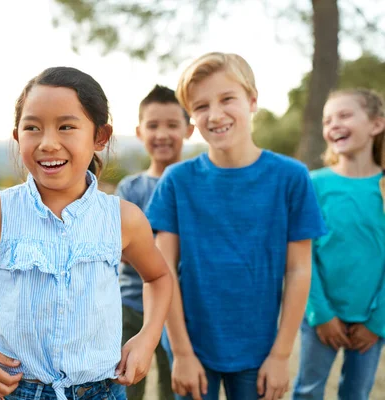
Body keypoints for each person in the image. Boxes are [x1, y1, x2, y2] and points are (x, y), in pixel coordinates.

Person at [0, 66, 173, 400]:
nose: (48, 143)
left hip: (102, 391)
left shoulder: (123, 218)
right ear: (17, 136)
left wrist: (148, 336)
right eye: (32, 128)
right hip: (18, 391)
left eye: (66, 126)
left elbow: (158, 277)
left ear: (100, 136)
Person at [146, 52, 327, 400]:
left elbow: (300, 269)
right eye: (200, 106)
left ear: (252, 100)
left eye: (227, 99)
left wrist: (281, 354)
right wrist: (181, 353)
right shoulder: (177, 181)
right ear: (191, 117)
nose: (214, 115)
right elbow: (162, 268)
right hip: (191, 346)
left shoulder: (291, 178)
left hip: (260, 350)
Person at [292, 88, 385, 400]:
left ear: (376, 124)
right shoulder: (314, 184)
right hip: (321, 317)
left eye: (344, 116)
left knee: (356, 394)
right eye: (327, 120)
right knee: (307, 391)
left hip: (371, 322)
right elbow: (304, 256)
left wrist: (378, 321)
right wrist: (322, 314)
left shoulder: (383, 187)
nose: (333, 125)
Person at [115, 84, 193, 400]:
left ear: (188, 130)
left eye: (172, 125)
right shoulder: (130, 188)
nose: (162, 133)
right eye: (153, 125)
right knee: (126, 383)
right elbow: (121, 249)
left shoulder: (192, 184)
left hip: (182, 308)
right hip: (131, 304)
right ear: (139, 131)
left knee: (174, 386)